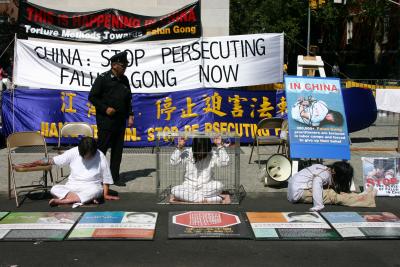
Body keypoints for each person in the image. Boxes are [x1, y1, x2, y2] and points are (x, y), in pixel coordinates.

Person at [89, 51, 134, 183]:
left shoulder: (124, 80)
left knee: (117, 150)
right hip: (106, 121)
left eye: (125, 66)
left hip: (120, 121)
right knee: (102, 149)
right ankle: (97, 176)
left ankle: (114, 177)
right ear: (114, 65)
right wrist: (105, 108)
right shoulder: (103, 78)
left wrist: (130, 115)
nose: (125, 68)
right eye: (122, 65)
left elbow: (128, 100)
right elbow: (92, 97)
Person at [43, 137, 119, 207]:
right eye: (84, 154)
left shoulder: (100, 156)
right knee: (54, 189)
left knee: (97, 191)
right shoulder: (74, 151)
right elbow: (54, 160)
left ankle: (64, 201)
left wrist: (105, 195)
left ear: (93, 151)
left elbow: (106, 177)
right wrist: (35, 163)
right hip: (73, 186)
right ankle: (85, 199)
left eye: (88, 155)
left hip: (91, 186)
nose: (86, 157)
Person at [287, 161, 376, 211]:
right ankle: (368, 199)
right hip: (299, 193)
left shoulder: (321, 167)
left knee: (334, 192)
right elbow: (316, 183)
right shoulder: (324, 174)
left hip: (296, 189)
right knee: (333, 196)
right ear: (334, 172)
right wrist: (318, 205)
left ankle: (359, 195)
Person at [170, 136, 229, 203]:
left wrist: (219, 145)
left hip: (207, 186)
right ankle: (209, 199)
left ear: (207, 149)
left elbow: (225, 163)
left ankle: (193, 198)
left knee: (219, 186)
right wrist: (179, 147)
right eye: (198, 150)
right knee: (174, 190)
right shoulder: (188, 152)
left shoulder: (212, 154)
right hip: (189, 186)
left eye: (203, 150)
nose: (200, 153)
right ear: (194, 148)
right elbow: (173, 162)